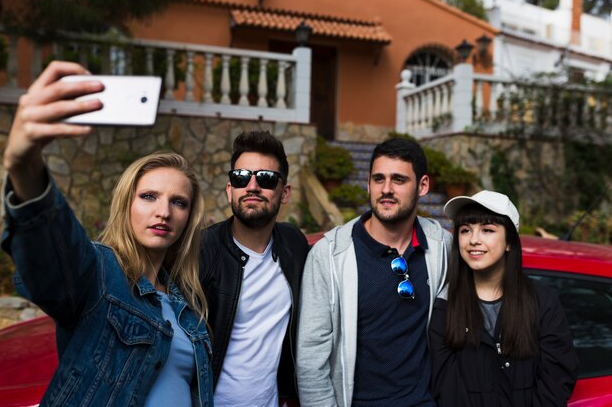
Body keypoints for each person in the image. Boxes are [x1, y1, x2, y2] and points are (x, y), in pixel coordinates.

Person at [0, 61, 213, 407]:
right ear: (126, 204)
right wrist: (25, 166)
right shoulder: (101, 273)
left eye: (179, 202)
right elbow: (50, 255)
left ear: (189, 217)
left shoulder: (187, 305)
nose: (164, 212)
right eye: (148, 197)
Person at [297, 137, 452, 407]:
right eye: (378, 179)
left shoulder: (442, 247)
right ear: (368, 183)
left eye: (399, 180)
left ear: (423, 186)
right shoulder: (330, 255)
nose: (386, 189)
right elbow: (311, 357)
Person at [430, 190, 579, 407]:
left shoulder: (542, 301)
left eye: (487, 230)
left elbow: (556, 380)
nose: (473, 240)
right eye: (465, 230)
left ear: (510, 242)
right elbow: (445, 388)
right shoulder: (445, 306)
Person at [199, 131, 309, 407]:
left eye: (266, 179)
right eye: (241, 177)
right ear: (229, 189)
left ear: (285, 194)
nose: (252, 186)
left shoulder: (293, 245)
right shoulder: (202, 251)